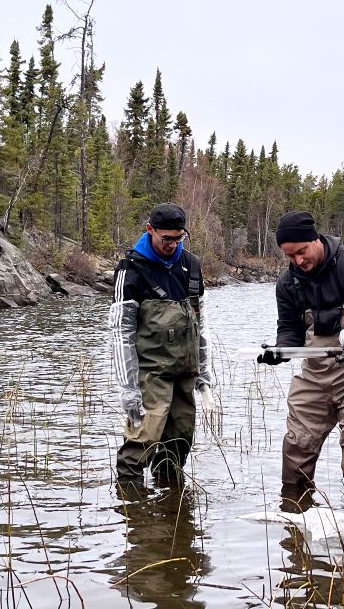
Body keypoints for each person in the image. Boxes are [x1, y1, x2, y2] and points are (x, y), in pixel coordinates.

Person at [259, 210, 344, 504]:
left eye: (301, 252)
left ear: (316, 239)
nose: (298, 261)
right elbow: (290, 330)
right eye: (289, 256)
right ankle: (296, 519)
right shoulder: (287, 284)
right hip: (316, 372)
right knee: (296, 447)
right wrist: (280, 352)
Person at [108, 202, 214, 486]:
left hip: (185, 372)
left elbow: (200, 323)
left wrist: (204, 372)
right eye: (166, 238)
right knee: (142, 439)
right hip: (150, 373)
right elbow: (121, 332)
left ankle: (170, 508)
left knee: (180, 440)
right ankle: (134, 512)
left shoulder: (191, 266)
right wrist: (128, 388)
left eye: (178, 237)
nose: (172, 244)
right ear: (150, 230)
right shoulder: (130, 269)